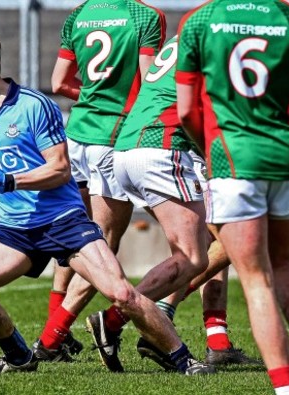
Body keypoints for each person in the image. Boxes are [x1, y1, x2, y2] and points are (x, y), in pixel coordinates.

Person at [0, 27, 214, 375]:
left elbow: (60, 170)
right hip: (16, 229)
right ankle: (19, 357)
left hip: (64, 222)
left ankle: (182, 358)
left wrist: (12, 180)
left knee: (122, 294)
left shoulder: (33, 106)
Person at [176, 1, 289, 394]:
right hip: (284, 158)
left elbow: (185, 110)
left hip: (232, 161)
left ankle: (285, 390)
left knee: (256, 281)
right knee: (283, 264)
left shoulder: (199, 19)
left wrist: (209, 148)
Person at [40, 0, 166, 364]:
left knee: (74, 233)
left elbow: (59, 82)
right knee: (104, 242)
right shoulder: (146, 15)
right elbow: (150, 86)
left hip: (75, 136)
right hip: (113, 139)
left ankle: (54, 329)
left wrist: (95, 98)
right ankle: (54, 337)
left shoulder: (79, 14)